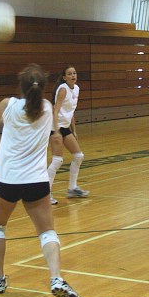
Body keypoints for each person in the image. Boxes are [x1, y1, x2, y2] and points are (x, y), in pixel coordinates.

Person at [0, 63, 78, 297]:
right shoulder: (48, 109)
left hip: (7, 180)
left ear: (22, 85)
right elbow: (54, 132)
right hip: (36, 182)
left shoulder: (9, 106)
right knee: (47, 232)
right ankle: (56, 278)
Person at [48, 65, 89, 205]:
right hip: (55, 128)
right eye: (70, 74)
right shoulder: (63, 89)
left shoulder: (76, 89)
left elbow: (71, 111)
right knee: (57, 160)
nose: (73, 76)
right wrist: (56, 132)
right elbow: (55, 110)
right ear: (64, 77)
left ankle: (72, 188)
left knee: (79, 156)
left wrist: (74, 130)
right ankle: (45, 194)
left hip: (65, 127)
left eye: (75, 73)